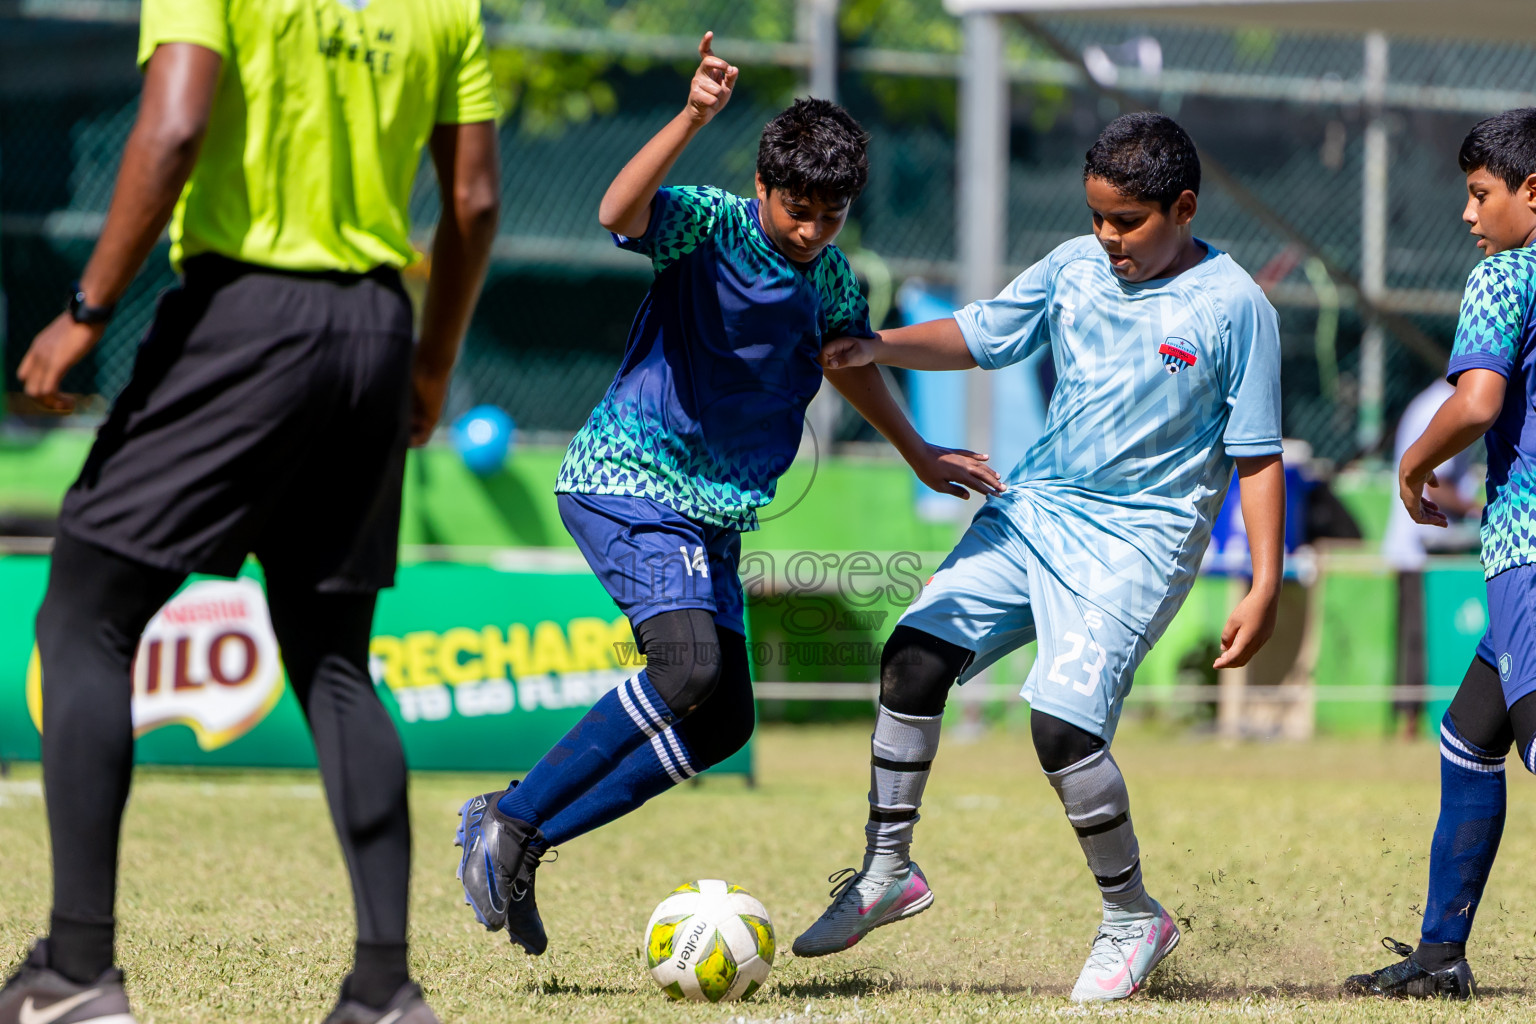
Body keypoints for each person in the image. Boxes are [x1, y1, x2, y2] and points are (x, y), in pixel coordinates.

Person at [0, 0, 500, 1020]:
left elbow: (176, 124)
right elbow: (476, 201)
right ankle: (383, 989)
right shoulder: (446, 5)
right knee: (333, 660)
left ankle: (77, 972)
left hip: (243, 318)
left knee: (86, 612)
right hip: (374, 329)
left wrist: (86, 309)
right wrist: (433, 360)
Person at [453, 32, 1002, 957]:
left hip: (712, 512)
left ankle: (518, 830)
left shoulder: (828, 273)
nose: (812, 229)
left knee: (723, 722)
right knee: (687, 670)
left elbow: (848, 361)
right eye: (798, 209)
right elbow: (616, 209)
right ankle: (509, 821)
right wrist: (692, 114)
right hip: (630, 483)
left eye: (831, 214)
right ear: (762, 187)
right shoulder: (706, 223)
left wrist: (916, 452)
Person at [792, 112, 1285, 1004]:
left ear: (1183, 207)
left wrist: (1264, 579)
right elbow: (982, 334)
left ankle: (1134, 916)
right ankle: (886, 873)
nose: (1108, 237)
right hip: (1035, 513)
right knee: (911, 659)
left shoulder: (1235, 307)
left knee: (1060, 729)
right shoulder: (1072, 267)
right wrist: (881, 347)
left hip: (1138, 542)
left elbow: (1258, 456)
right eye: (1097, 216)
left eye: (1127, 221)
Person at [1346, 108, 1536, 1002]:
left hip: (1528, 551)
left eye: (1480, 193)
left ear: (1531, 191)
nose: (1468, 215)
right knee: (1469, 740)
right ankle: (1438, 956)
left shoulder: (1505, 274)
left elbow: (1477, 402)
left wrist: (1413, 462)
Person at [1382, 379, 1479, 739]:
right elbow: (1437, 484)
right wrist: (1480, 508)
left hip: (1429, 542)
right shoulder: (1450, 405)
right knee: (1417, 637)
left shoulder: (1432, 398)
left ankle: (1415, 720)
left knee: (1418, 635)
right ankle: (1410, 722)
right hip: (1420, 543)